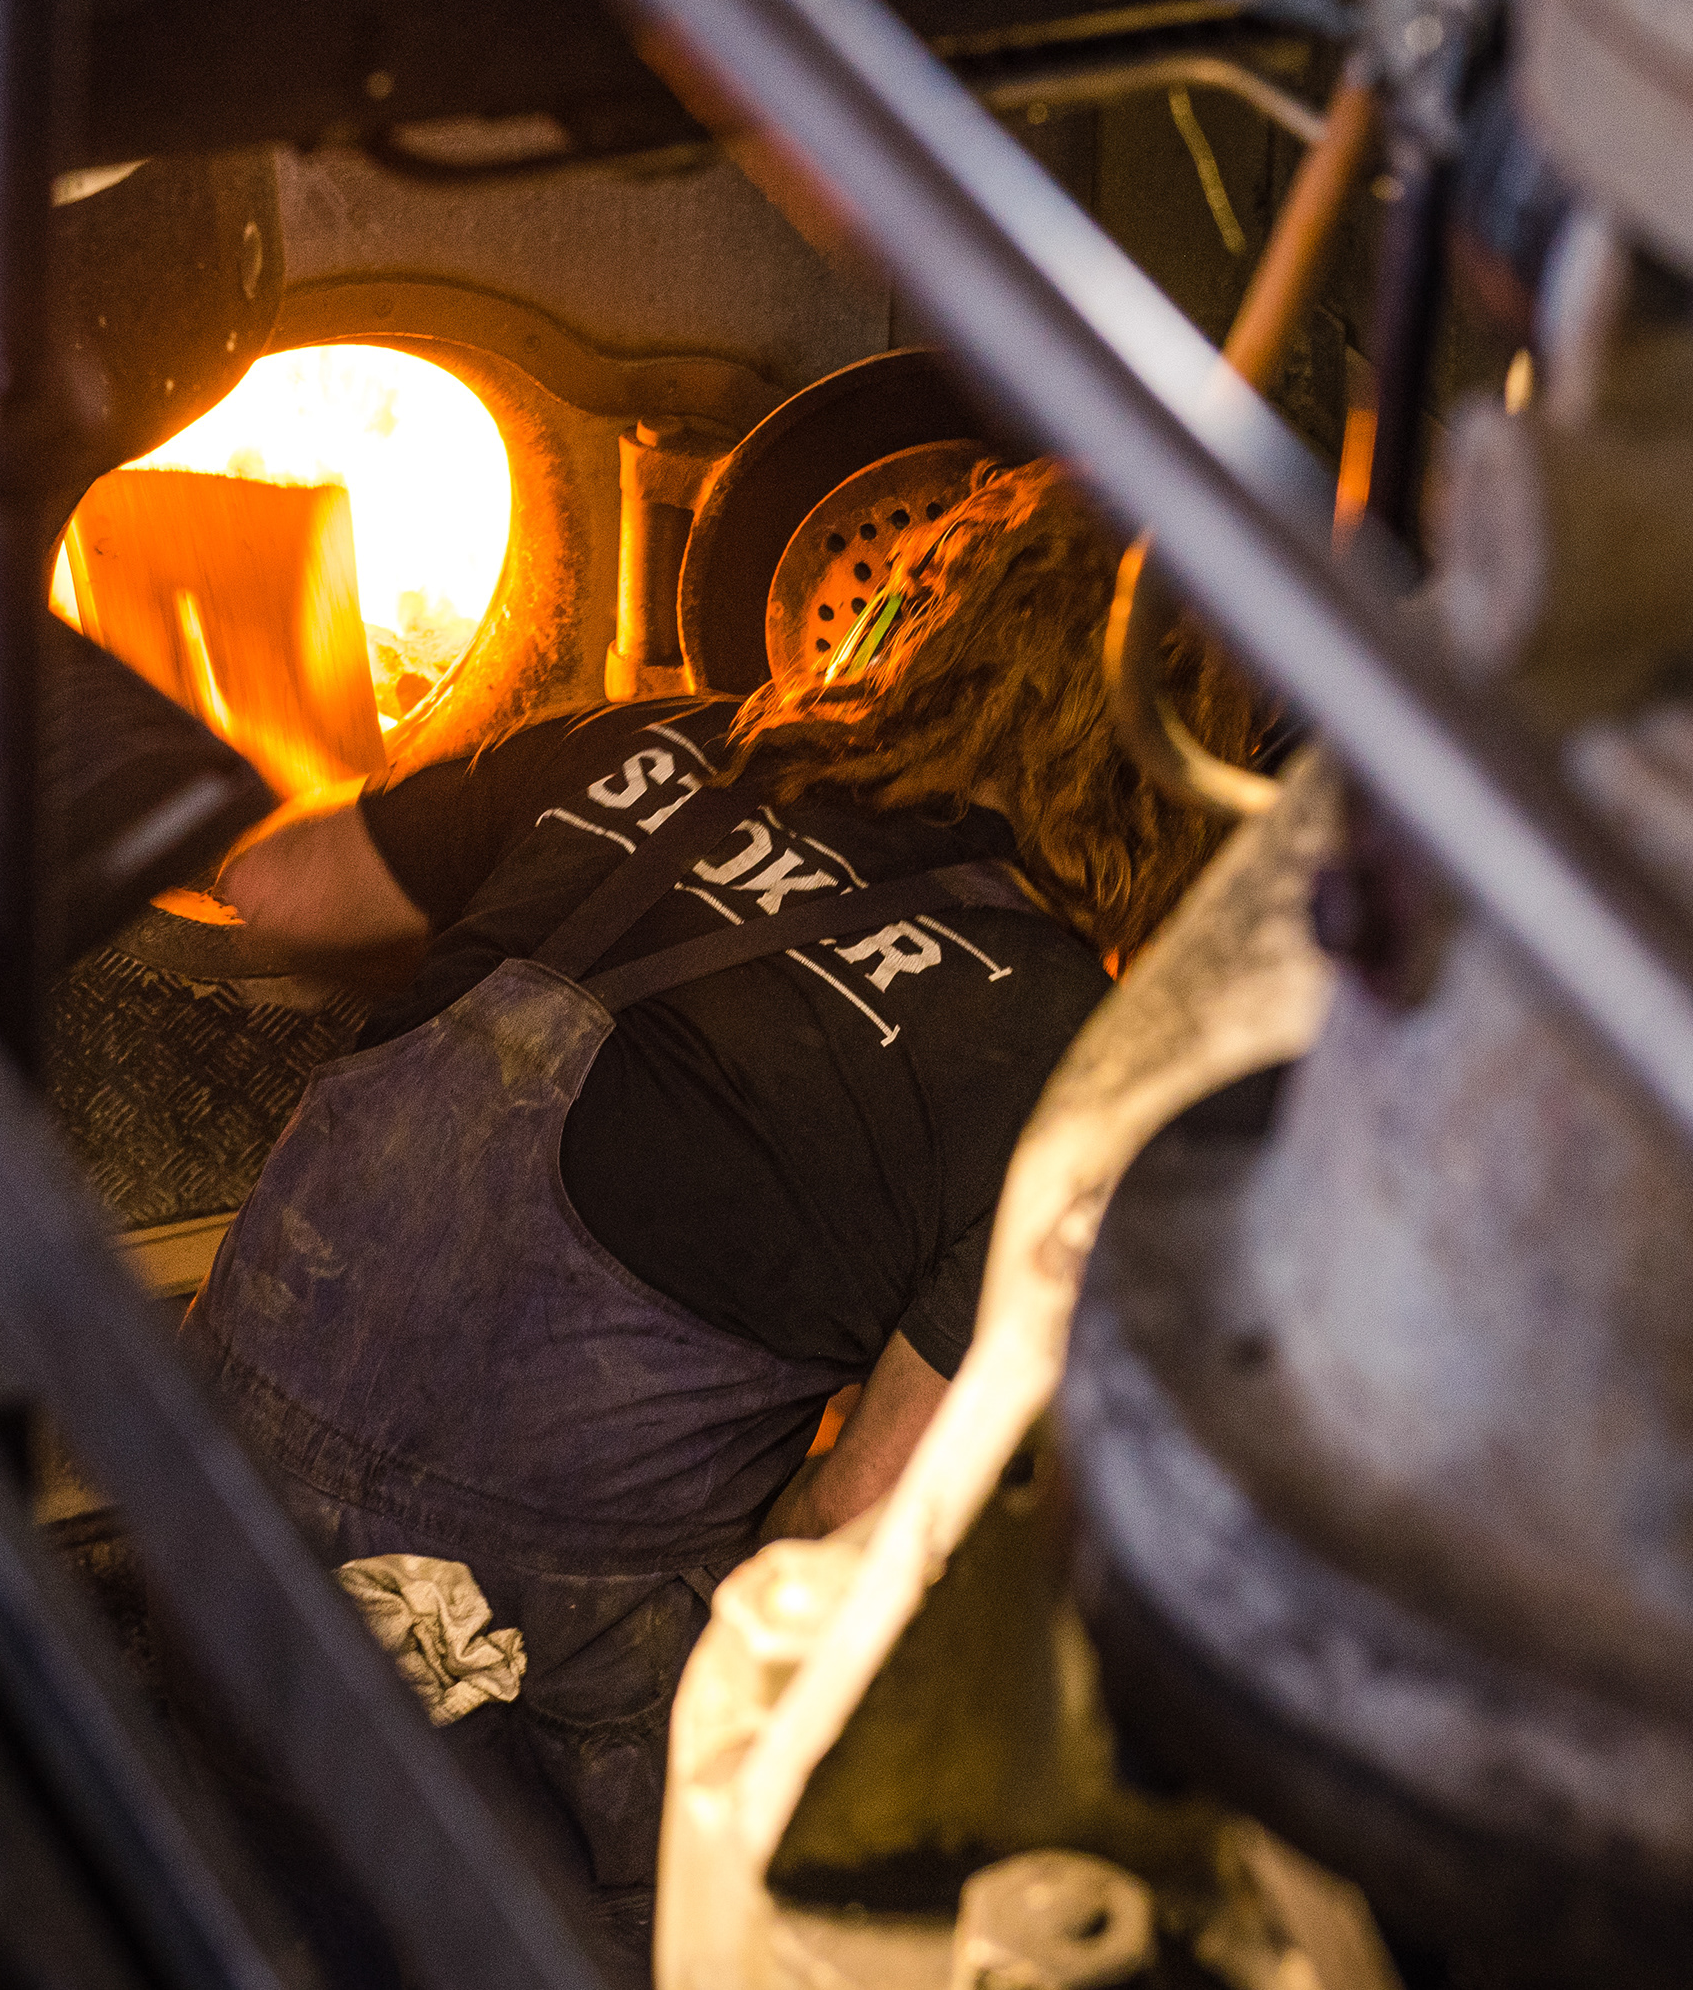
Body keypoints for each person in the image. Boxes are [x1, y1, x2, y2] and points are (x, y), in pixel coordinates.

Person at [182, 457, 1259, 1981]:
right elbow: (865, 1520)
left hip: (208, 1468)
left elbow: (277, 887)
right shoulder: (1065, 1043)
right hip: (550, 1651)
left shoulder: (649, 742)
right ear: (1175, 764)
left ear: (901, 615)